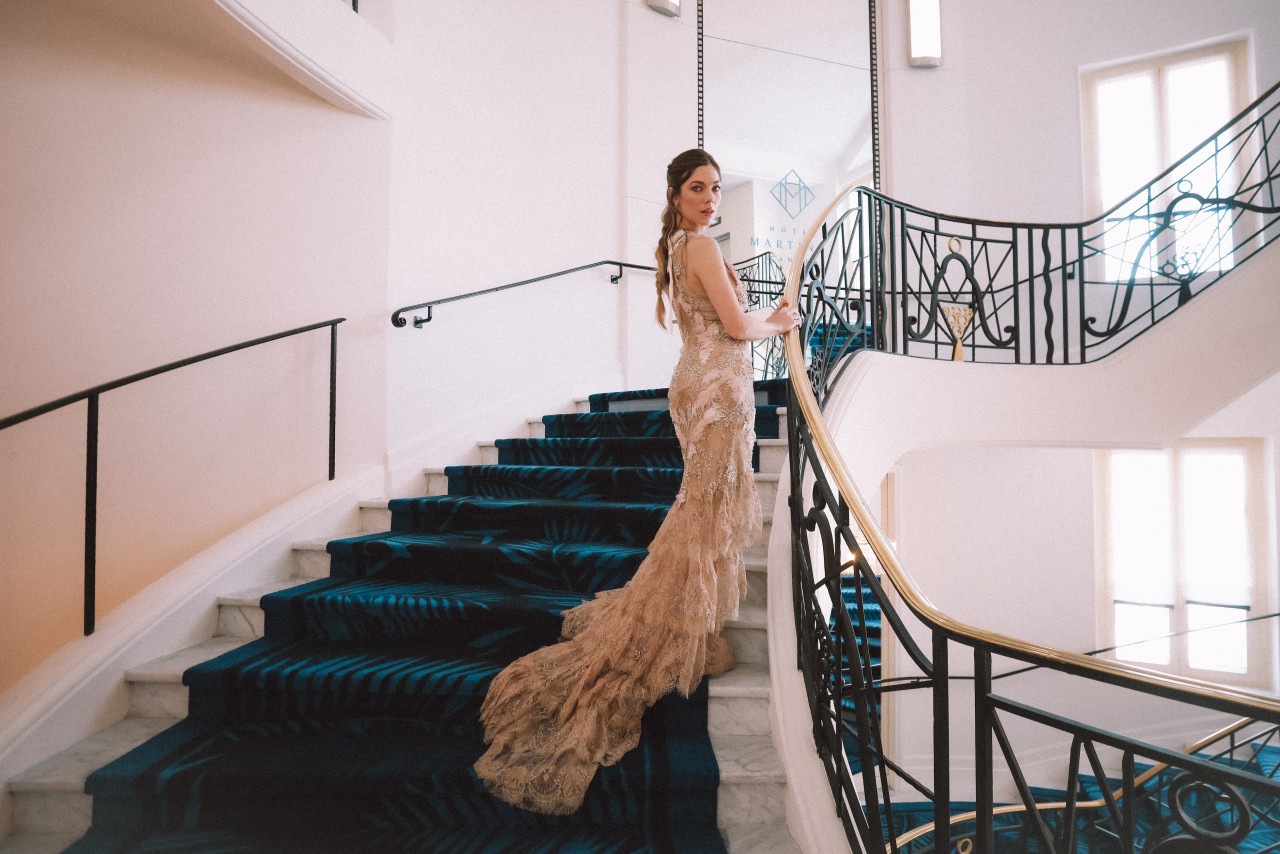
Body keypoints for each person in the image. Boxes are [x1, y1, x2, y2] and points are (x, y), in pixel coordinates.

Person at [473, 148, 802, 815]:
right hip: (715, 392)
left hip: (704, 384)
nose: (709, 198)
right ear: (676, 194)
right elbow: (737, 329)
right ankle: (678, 631)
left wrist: (764, 311)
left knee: (702, 509)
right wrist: (779, 321)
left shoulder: (683, 246)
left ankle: (694, 626)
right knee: (704, 511)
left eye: (714, 187)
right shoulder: (702, 245)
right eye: (696, 188)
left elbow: (719, 319)